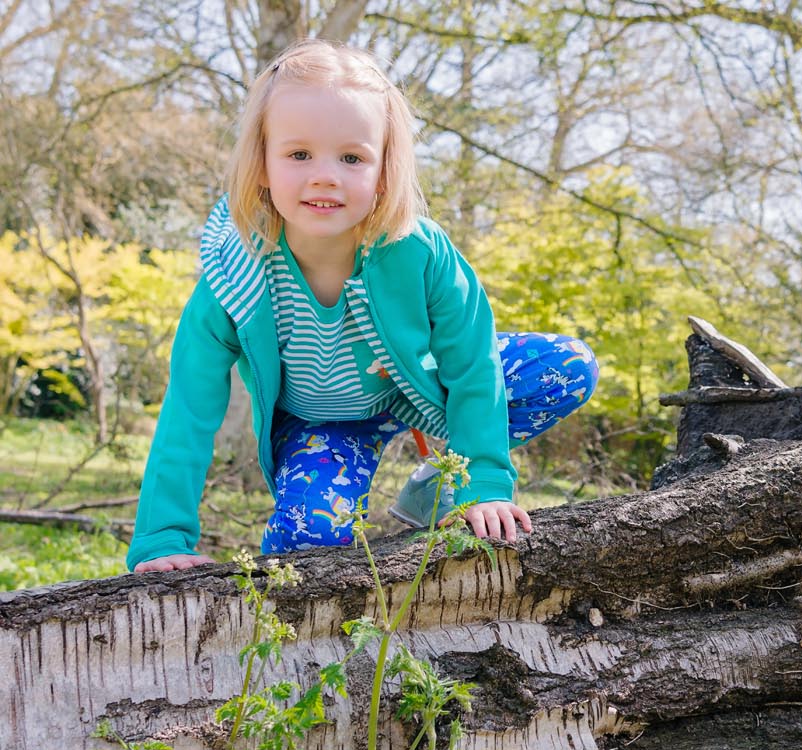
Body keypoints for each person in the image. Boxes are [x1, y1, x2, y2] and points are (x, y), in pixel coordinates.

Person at [127, 40, 597, 573]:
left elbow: (472, 363)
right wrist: (163, 537)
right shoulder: (237, 270)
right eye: (299, 154)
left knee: (567, 368)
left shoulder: (418, 251)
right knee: (309, 544)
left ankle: (438, 485)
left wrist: (483, 483)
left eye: (352, 157)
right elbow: (189, 406)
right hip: (322, 423)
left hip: (420, 390)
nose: (325, 175)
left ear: (384, 170)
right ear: (261, 163)